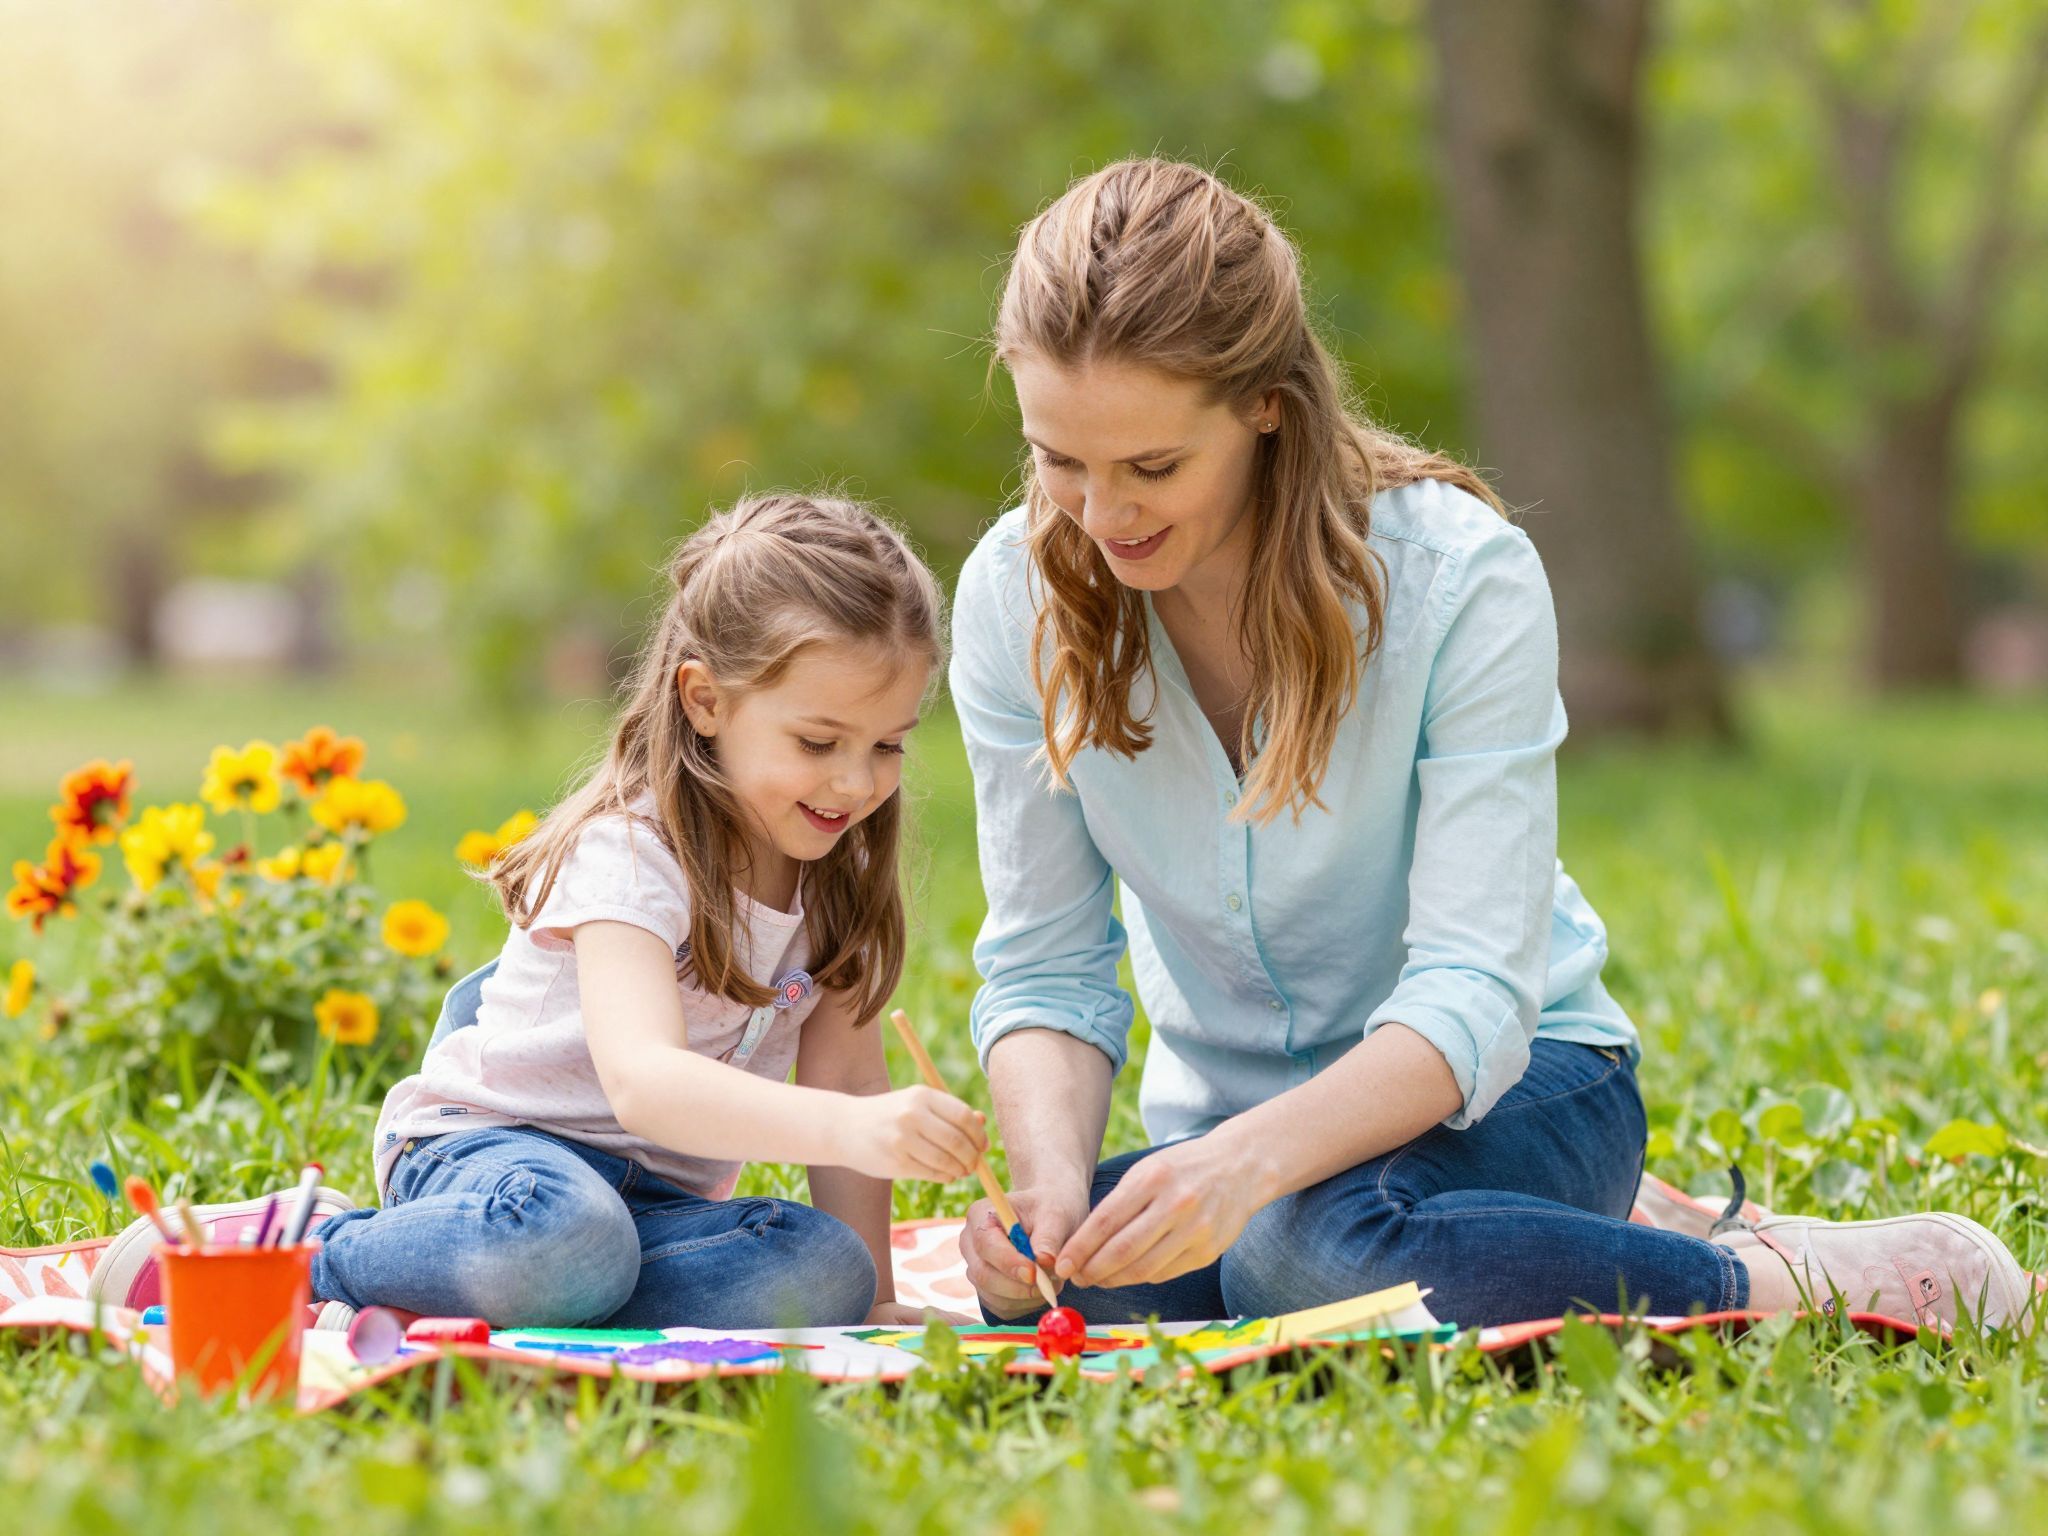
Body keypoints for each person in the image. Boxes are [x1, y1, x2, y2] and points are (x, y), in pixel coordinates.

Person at [950, 159, 2033, 1336]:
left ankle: (1789, 1281)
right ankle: (1570, 1242)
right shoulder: (1014, 599)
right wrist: (1050, 1190)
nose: (1101, 515)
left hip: (1515, 1088)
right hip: (1242, 1132)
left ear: (1265, 402)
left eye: (1151, 467)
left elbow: (1471, 991)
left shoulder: (1458, 578)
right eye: (1059, 461)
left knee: (1303, 1267)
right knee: (1073, 1290)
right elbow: (1047, 968)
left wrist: (1244, 1171)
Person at [124, 493, 985, 1331]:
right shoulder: (635, 853)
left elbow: (846, 1082)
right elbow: (644, 1082)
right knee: (566, 1235)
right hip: (490, 1157)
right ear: (706, 701)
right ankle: (310, 1255)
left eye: (888, 746)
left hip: (648, 1214)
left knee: (824, 1270)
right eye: (819, 742)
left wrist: (870, 1295)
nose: (857, 782)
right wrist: (851, 1127)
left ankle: (534, 1287)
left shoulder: (836, 878)